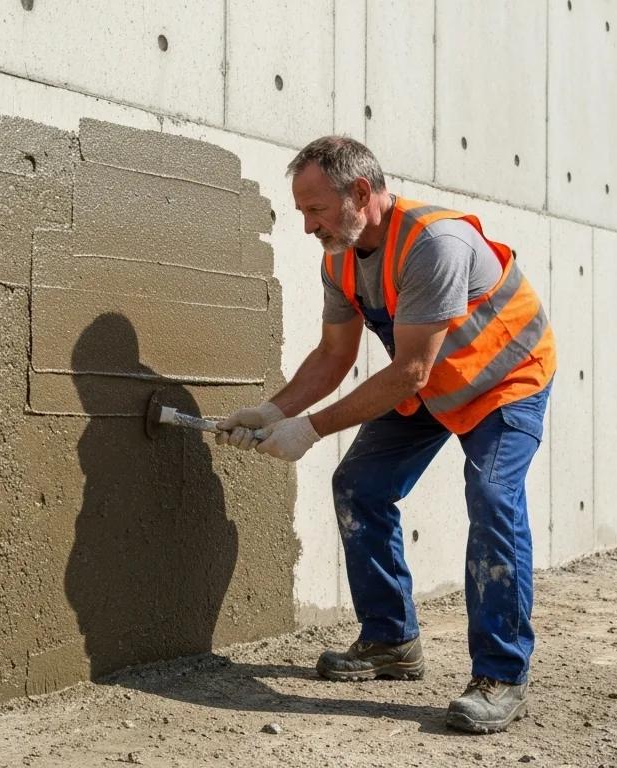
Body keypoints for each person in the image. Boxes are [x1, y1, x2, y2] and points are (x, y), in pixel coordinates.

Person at [216, 136, 556, 734]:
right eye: (302, 212)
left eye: (315, 210)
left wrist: (311, 429)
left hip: (504, 381)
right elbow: (332, 356)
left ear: (362, 194)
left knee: (494, 499)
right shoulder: (339, 258)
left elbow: (409, 372)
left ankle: (501, 675)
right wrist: (273, 411)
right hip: (433, 384)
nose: (307, 226)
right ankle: (390, 641)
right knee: (360, 486)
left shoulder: (432, 243)